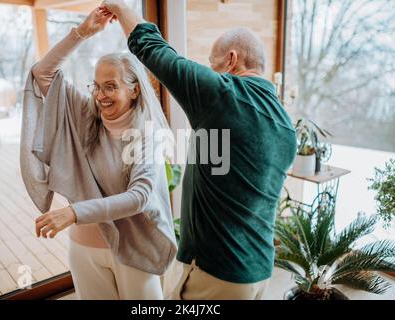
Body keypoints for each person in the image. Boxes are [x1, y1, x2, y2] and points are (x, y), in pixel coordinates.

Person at [101, 0, 297, 300]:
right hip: (258, 273)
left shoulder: (223, 94)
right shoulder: (285, 125)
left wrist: (121, 8)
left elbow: (153, 49)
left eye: (212, 62)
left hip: (218, 275)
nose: (211, 70)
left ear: (232, 59)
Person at [21, 7, 177, 300]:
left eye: (110, 87)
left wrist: (73, 212)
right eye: (97, 86)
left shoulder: (147, 135)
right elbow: (42, 74)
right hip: (85, 248)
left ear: (133, 91)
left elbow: (140, 196)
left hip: (134, 248)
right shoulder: (85, 115)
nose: (101, 95)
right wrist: (83, 32)